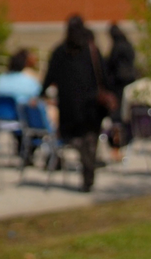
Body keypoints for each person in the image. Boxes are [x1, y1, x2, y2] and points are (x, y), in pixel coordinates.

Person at [42, 15, 109, 192]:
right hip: (90, 107)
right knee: (89, 139)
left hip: (70, 107)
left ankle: (87, 166)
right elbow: (104, 75)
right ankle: (88, 170)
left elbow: (49, 76)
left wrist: (41, 93)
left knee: (77, 139)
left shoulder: (59, 52)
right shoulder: (91, 50)